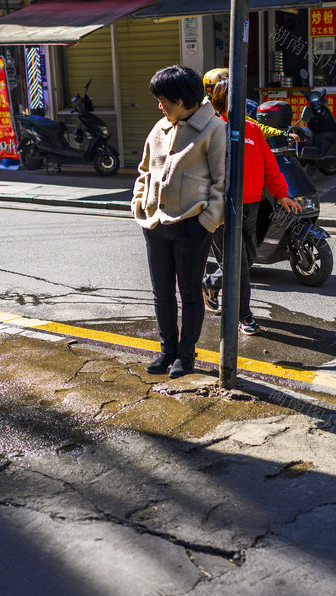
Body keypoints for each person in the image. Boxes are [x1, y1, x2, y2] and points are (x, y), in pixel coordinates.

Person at [133, 65, 226, 379]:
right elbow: (144, 171)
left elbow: (221, 184)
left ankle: (185, 356)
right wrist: (139, 205)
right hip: (155, 223)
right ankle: (167, 351)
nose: (160, 105)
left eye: (164, 100)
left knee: (189, 294)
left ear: (183, 100)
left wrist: (207, 223)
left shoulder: (214, 129)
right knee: (161, 292)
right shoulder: (160, 126)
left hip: (191, 226)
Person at [201, 76, 302, 335]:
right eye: (230, 100)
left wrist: (282, 194)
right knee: (238, 265)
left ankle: (211, 284)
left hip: (250, 206)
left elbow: (270, 166)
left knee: (246, 261)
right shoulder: (213, 130)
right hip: (221, 209)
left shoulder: (253, 131)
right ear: (220, 103)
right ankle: (243, 316)